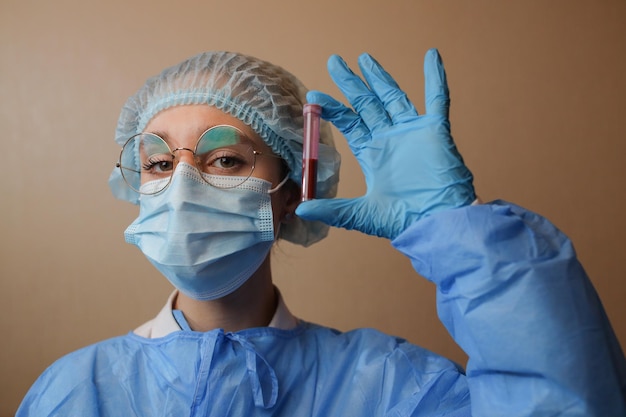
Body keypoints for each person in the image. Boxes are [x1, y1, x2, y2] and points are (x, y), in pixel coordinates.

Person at [17, 48, 626, 416]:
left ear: (290, 194)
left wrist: (459, 232)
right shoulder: (76, 391)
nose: (182, 186)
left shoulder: (390, 386)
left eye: (225, 160)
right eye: (156, 162)